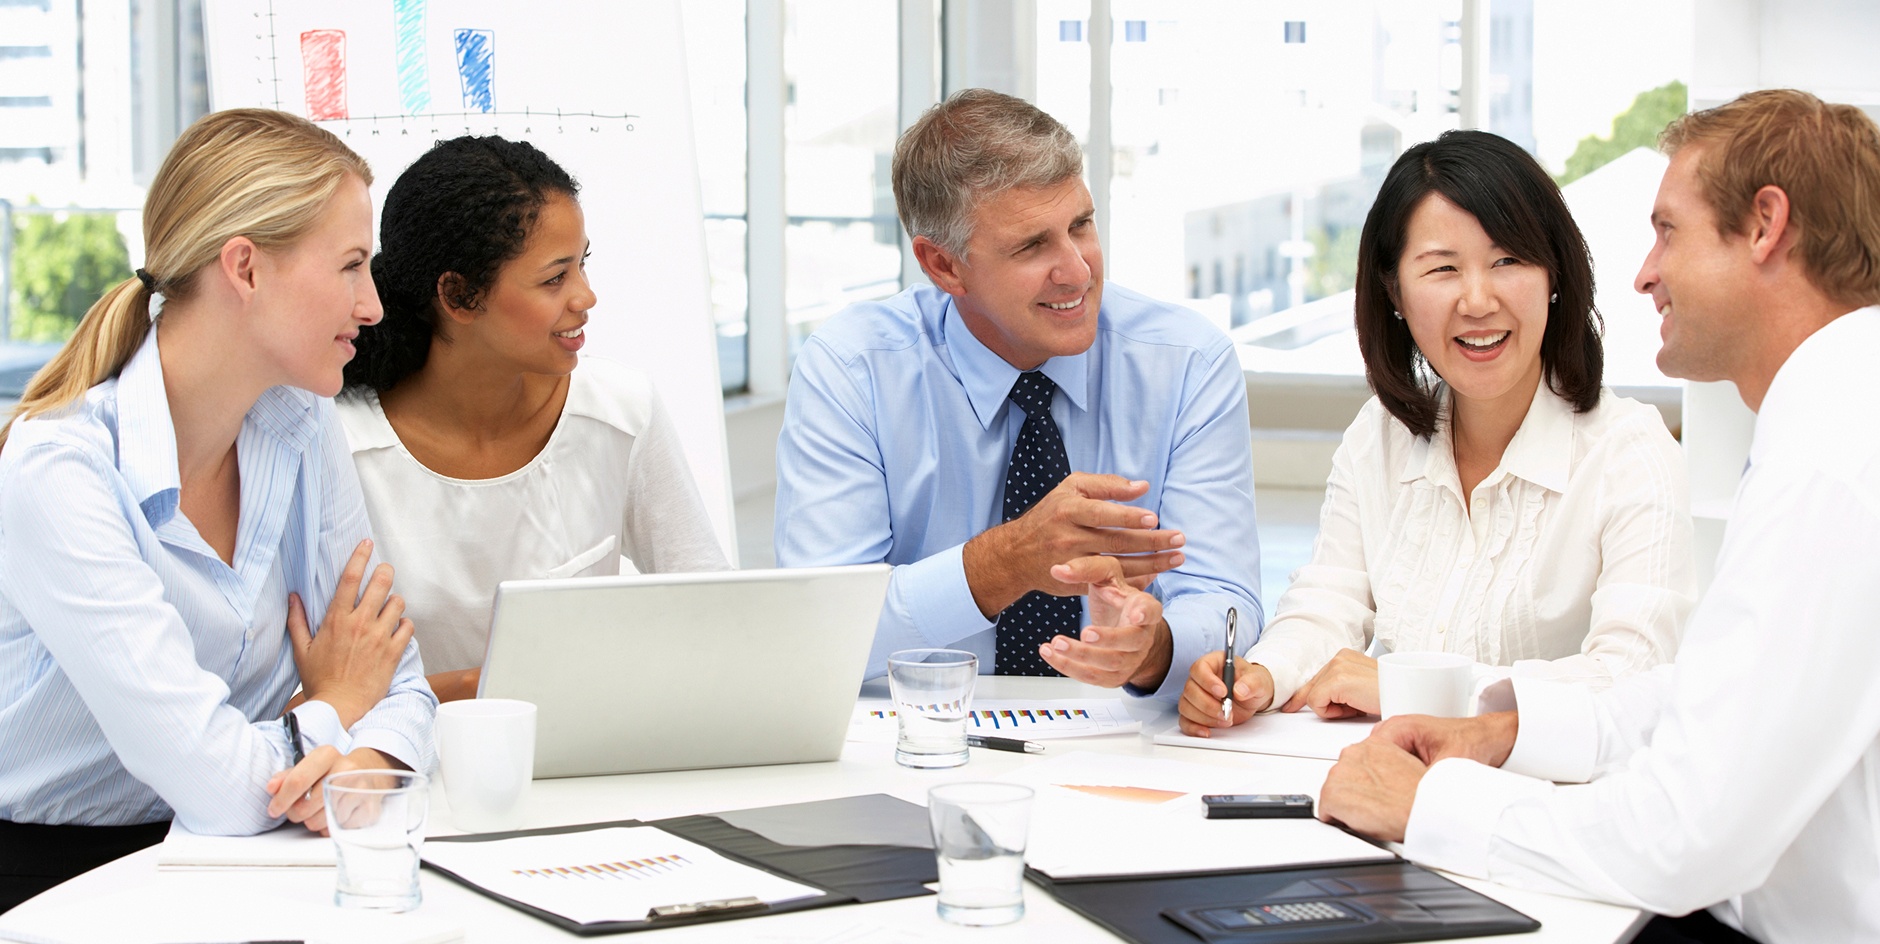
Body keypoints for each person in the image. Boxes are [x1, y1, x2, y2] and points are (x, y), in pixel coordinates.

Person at [1317, 90, 1880, 944]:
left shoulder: (1831, 463)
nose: (1645, 272)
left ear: (1766, 225)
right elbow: (1712, 702)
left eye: (1668, 232)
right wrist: (1511, 732)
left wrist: (1435, 805)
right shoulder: (1836, 417)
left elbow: (1685, 836)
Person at [0, 109, 436, 913]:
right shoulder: (59, 470)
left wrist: (357, 754)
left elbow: (403, 689)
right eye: (349, 266)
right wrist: (334, 706)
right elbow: (215, 782)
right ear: (244, 268)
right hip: (57, 881)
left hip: (268, 855)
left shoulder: (304, 428)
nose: (372, 306)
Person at [1176, 130, 1693, 736]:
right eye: (1443, 269)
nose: (1478, 300)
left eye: (1507, 261)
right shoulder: (1380, 436)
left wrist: (1411, 690)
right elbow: (1329, 603)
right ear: (1394, 292)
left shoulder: (1631, 452)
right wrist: (1260, 675)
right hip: (1387, 784)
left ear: (1555, 274)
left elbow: (1632, 675)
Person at [774, 89, 1261, 698]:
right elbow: (817, 632)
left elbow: (1229, 603)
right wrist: (1005, 563)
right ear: (943, 266)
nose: (1078, 271)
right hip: (916, 740)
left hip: (1122, 748)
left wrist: (1152, 650)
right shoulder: (853, 370)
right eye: (1033, 246)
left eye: (1080, 226)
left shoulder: (1187, 361)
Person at [339, 135, 728, 702]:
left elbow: (714, 616)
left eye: (583, 265)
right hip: (407, 775)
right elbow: (319, 694)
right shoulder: (342, 443)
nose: (585, 296)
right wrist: (490, 687)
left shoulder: (620, 410)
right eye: (554, 278)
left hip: (588, 765)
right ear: (458, 295)